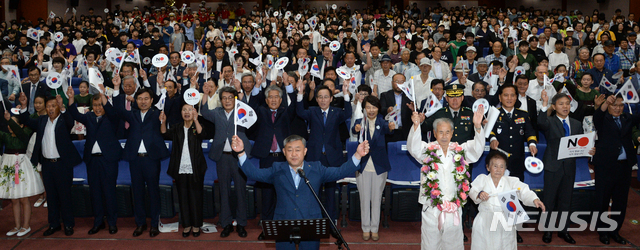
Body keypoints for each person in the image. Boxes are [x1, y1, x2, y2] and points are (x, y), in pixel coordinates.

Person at [233, 134, 370, 249]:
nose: (294, 154)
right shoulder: (277, 169)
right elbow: (254, 173)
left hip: (310, 223)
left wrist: (358, 155)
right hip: (283, 223)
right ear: (284, 152)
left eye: (297, 150)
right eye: (290, 150)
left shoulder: (316, 168)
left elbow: (340, 171)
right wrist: (241, 152)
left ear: (305, 151)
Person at [406, 104, 485, 250]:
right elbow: (414, 147)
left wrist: (478, 127)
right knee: (430, 245)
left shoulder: (460, 151)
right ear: (435, 133)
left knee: (453, 245)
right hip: (431, 208)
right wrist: (416, 125)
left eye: (447, 132)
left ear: (452, 133)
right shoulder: (427, 151)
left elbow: (477, 150)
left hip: (453, 208)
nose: (444, 136)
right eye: (440, 132)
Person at [107, 78, 169, 238]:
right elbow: (119, 109)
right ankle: (140, 223)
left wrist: (161, 86)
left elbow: (164, 126)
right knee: (138, 192)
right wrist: (115, 87)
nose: (143, 101)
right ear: (137, 100)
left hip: (152, 159)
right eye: (140, 98)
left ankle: (154, 224)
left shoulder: (158, 113)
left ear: (151, 100)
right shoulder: (133, 114)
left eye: (146, 99)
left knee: (154, 192)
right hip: (135, 159)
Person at [18, 93, 81, 237]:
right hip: (47, 165)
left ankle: (68, 224)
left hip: (62, 165)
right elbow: (26, 119)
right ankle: (54, 224)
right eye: (48, 106)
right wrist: (23, 106)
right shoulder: (42, 120)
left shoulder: (64, 120)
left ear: (58, 107)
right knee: (51, 196)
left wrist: (63, 106)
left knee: (65, 196)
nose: (51, 109)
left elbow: (70, 121)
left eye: (53, 106)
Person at [538, 92, 594, 244]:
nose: (565, 106)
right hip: (553, 166)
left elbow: (580, 144)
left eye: (567, 104)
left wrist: (589, 149)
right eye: (561, 104)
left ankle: (564, 230)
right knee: (549, 201)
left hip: (569, 167)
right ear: (554, 106)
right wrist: (544, 104)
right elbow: (540, 123)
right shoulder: (549, 121)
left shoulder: (576, 123)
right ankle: (547, 230)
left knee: (566, 201)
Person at [296, 82, 352, 224]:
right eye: (320, 97)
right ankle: (315, 218)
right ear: (316, 99)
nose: (323, 99)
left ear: (331, 98)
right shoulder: (313, 111)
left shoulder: (336, 112)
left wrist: (346, 93)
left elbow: (348, 113)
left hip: (332, 158)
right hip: (315, 157)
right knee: (314, 190)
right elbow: (300, 112)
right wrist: (300, 93)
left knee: (331, 191)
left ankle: (331, 219)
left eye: (326, 97)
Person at [67, 88, 121, 235]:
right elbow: (75, 113)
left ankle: (112, 222)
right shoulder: (89, 117)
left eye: (100, 105)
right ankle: (98, 222)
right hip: (92, 161)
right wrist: (71, 98)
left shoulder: (112, 117)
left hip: (108, 160)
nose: (98, 108)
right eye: (95, 105)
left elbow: (112, 111)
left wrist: (104, 97)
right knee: (95, 193)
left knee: (109, 192)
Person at [200, 86, 252, 238]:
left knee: (241, 191)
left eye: (231, 97)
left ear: (235, 99)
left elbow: (250, 109)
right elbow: (204, 112)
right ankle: (226, 223)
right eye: (224, 98)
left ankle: (241, 224)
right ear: (220, 100)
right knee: (224, 191)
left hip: (239, 156)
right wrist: (205, 94)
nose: (227, 100)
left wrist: (241, 93)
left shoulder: (242, 113)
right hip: (222, 157)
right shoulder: (216, 113)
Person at [248, 84, 297, 240]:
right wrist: (256, 86)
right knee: (267, 195)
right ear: (266, 99)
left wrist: (293, 89)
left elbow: (295, 105)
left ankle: (284, 227)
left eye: (277, 96)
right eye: (271, 96)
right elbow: (252, 106)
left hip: (284, 159)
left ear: (281, 99)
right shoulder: (260, 111)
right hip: (267, 158)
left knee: (284, 194)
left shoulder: (285, 112)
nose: (274, 99)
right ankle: (267, 228)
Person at [469, 151, 545, 250]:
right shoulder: (482, 179)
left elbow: (523, 190)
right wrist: (479, 194)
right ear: (488, 167)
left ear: (505, 169)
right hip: (485, 219)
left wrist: (534, 199)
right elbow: (472, 190)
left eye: (502, 166)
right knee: (483, 245)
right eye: (495, 166)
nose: (498, 170)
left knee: (505, 245)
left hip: (504, 220)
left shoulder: (511, 181)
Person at [593, 95, 639, 245]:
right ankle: (603, 231)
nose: (618, 108)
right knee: (602, 200)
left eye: (620, 105)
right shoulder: (602, 119)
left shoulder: (627, 118)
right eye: (614, 105)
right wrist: (606, 103)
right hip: (605, 166)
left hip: (624, 166)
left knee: (620, 201)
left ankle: (615, 231)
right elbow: (598, 114)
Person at [160, 104, 208, 238]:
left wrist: (196, 119)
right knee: (183, 197)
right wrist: (163, 121)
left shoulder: (197, 126)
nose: (187, 112)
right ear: (181, 112)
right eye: (184, 110)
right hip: (180, 168)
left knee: (196, 197)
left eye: (189, 110)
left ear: (194, 112)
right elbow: (164, 133)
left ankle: (196, 225)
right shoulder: (176, 127)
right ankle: (186, 225)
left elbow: (201, 134)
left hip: (196, 168)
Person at [352, 96, 395, 241]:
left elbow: (388, 130)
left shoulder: (382, 122)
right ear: (364, 108)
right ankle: (365, 228)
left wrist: (391, 127)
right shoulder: (360, 122)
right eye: (368, 107)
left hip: (379, 166)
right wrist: (356, 128)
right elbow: (354, 129)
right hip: (363, 166)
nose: (371, 110)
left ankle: (374, 228)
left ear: (378, 109)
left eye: (374, 107)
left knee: (376, 199)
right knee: (364, 199)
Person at [0, 110, 43, 237]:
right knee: (14, 199)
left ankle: (26, 226)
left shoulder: (25, 134)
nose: (9, 126)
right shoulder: (6, 136)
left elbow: (19, 133)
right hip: (9, 167)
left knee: (24, 198)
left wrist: (9, 120)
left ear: (21, 125)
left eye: (13, 123)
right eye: (8, 123)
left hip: (22, 167)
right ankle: (17, 226)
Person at [379, 74, 412, 142]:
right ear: (392, 83)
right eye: (397, 81)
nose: (399, 84)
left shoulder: (409, 97)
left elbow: (415, 113)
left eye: (402, 82)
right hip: (390, 131)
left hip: (406, 131)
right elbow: (381, 109)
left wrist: (413, 109)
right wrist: (387, 110)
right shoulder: (385, 95)